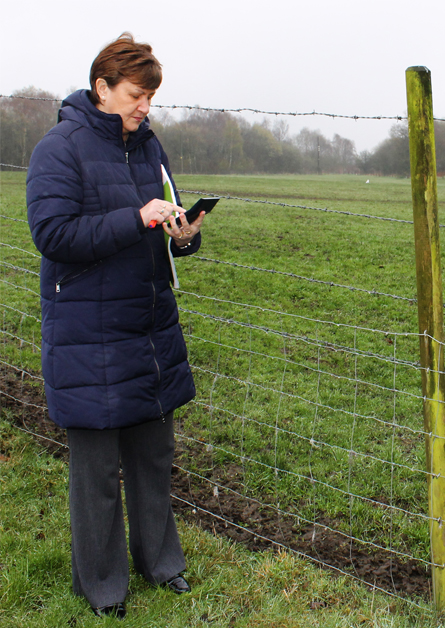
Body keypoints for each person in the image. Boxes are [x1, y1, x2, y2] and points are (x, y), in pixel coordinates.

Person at [26, 33, 203, 619]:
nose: (145, 107)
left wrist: (184, 235)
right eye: (136, 94)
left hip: (149, 328)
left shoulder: (151, 147)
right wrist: (135, 218)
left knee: (153, 457)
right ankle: (102, 587)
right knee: (97, 471)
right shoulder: (59, 148)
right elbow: (53, 236)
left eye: (151, 96)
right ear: (101, 89)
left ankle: (162, 565)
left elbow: (166, 216)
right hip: (90, 335)